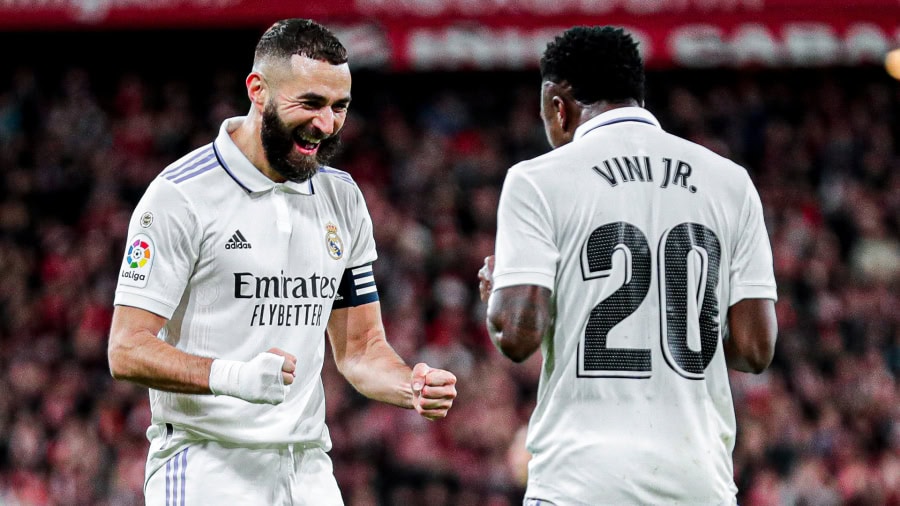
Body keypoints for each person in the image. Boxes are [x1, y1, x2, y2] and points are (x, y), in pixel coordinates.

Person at [108, 18, 457, 505]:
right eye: (310, 104)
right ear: (257, 90)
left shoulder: (343, 199)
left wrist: (409, 384)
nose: (327, 124)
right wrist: (233, 376)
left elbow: (359, 350)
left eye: (340, 107)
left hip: (308, 468)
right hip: (207, 463)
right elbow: (126, 349)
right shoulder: (181, 195)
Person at [478, 26, 777, 505]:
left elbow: (517, 336)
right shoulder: (731, 182)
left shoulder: (536, 180)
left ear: (559, 105)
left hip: (579, 482)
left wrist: (500, 295)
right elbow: (755, 349)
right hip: (699, 482)